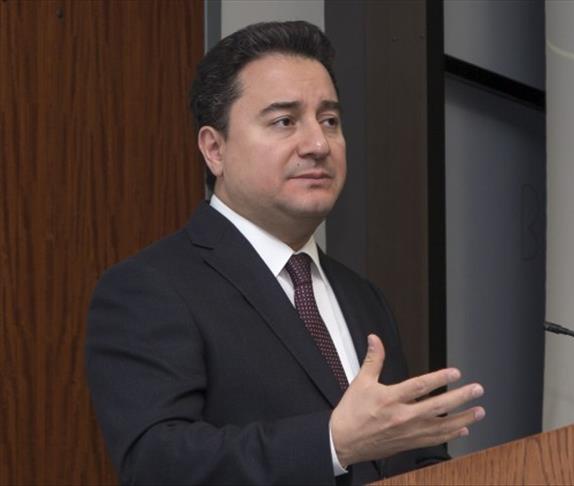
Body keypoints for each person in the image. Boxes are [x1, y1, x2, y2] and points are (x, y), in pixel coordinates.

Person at [85, 21, 485, 485]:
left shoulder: (363, 296)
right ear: (214, 149)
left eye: (330, 121)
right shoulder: (150, 288)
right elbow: (158, 464)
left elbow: (403, 458)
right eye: (284, 121)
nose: (318, 145)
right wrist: (332, 442)